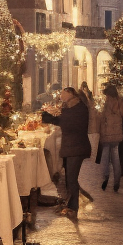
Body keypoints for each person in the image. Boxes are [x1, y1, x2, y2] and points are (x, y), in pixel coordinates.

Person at [41, 86, 90, 220]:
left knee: (71, 179)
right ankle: (74, 202)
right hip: (70, 146)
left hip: (77, 147)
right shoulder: (68, 106)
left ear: (69, 93)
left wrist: (52, 119)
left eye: (63, 93)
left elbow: (69, 124)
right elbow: (64, 122)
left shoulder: (79, 108)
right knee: (69, 178)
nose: (61, 95)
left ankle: (73, 208)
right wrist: (52, 118)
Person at [98, 83, 123, 192]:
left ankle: (105, 177)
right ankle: (116, 181)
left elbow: (102, 118)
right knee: (115, 158)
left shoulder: (107, 103)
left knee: (105, 158)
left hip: (106, 135)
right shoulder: (120, 102)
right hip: (116, 135)